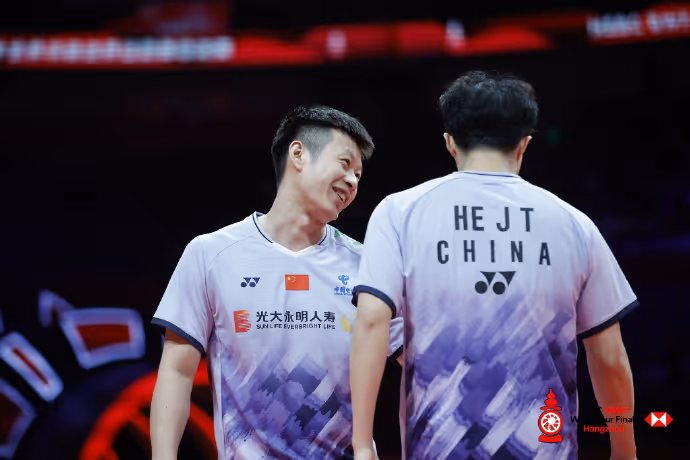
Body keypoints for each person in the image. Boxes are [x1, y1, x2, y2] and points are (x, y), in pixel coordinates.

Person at [349, 71, 638, 460]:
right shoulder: (574, 225)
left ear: (450, 143)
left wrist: (363, 445)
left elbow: (371, 322)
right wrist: (624, 450)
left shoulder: (399, 213)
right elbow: (610, 360)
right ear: (524, 144)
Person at [150, 106, 402, 460]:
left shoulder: (368, 265)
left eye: (359, 175)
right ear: (298, 154)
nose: (352, 182)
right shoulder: (210, 254)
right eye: (345, 164)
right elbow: (176, 371)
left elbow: (420, 363)